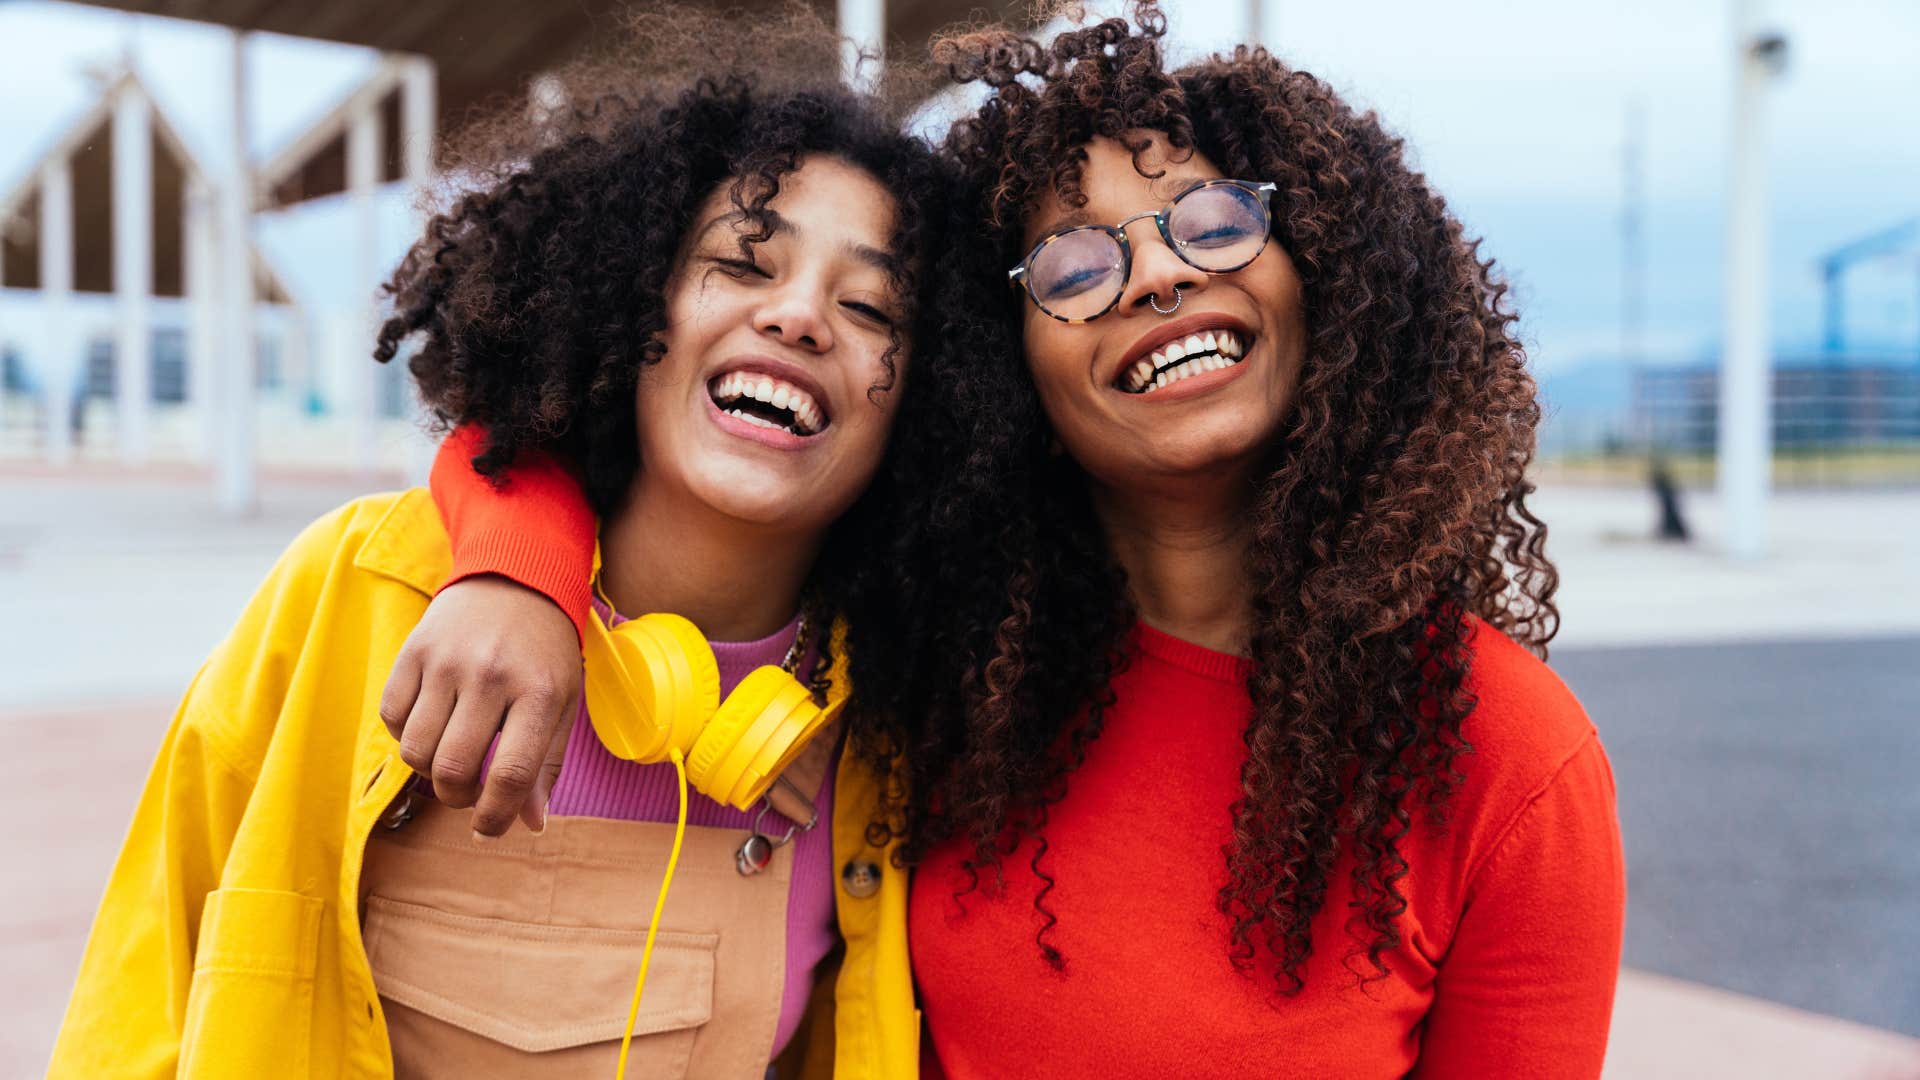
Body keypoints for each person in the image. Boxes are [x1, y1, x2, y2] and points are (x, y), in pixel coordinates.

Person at [391, 5, 1626, 1077]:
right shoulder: (943, 658)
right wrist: (519, 567)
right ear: (998, 367)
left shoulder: (1506, 758)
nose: (1152, 279)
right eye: (1076, 263)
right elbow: (598, 450)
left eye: (1210, 223)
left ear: (1335, 274)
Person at [49, 9, 951, 1077]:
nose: (801, 317)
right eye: (743, 265)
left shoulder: (897, 726)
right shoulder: (361, 590)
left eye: (871, 307)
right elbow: (136, 1009)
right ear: (628, 306)